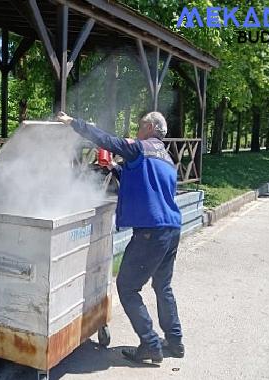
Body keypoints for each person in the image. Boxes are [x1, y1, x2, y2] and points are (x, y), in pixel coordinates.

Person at [57, 111, 184, 364]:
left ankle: (149, 343)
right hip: (171, 229)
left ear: (149, 126)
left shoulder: (140, 148)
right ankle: (175, 341)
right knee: (162, 286)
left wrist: (74, 123)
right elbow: (144, 184)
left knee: (127, 287)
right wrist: (114, 168)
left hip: (151, 232)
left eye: (140, 126)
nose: (137, 130)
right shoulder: (166, 157)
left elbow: (108, 140)